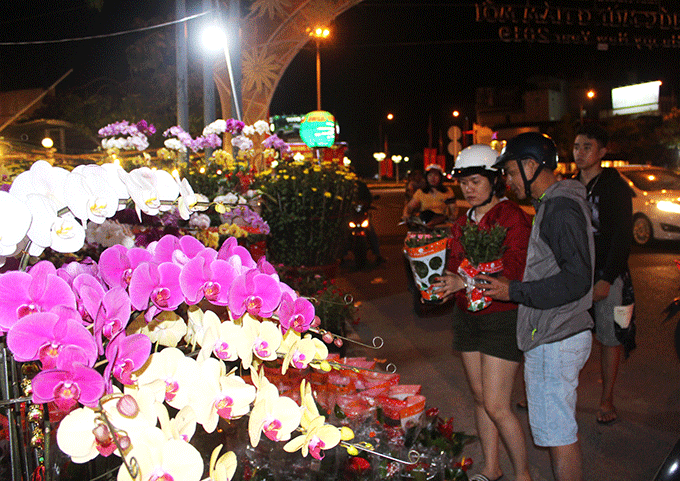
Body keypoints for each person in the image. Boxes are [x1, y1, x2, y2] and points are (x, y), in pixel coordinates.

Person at [478, 132, 594, 481]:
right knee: (556, 432)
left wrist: (513, 291)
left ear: (531, 166)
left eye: (512, 172)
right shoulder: (552, 203)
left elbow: (577, 279)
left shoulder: (559, 207)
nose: (509, 181)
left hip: (556, 336)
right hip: (555, 333)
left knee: (558, 435)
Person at [433, 144, 533, 481]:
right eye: (464, 183)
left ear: (495, 180)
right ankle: (492, 468)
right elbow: (453, 266)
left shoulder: (511, 217)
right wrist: (444, 283)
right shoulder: (462, 221)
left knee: (496, 404)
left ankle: (523, 475)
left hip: (501, 317)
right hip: (466, 317)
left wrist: (468, 281)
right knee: (479, 398)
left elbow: (517, 268)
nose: (469, 189)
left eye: (476, 181)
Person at [573, 123, 633, 425]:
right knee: (563, 336)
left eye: (587, 146)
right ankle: (556, 393)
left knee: (610, 338)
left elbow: (623, 236)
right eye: (576, 147)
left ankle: (606, 399)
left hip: (609, 276)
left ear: (602, 151)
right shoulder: (570, 186)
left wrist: (607, 279)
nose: (580, 153)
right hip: (575, 276)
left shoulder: (615, 186)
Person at [355, 179, 385, 265]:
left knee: (371, 231)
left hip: (362, 214)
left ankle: (377, 254)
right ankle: (340, 256)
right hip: (350, 214)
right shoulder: (344, 186)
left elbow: (368, 197)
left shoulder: (361, 186)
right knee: (343, 233)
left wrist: (368, 203)